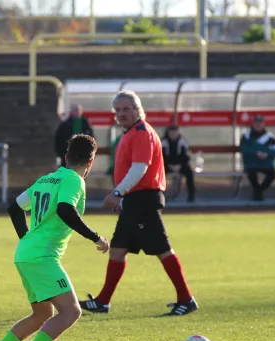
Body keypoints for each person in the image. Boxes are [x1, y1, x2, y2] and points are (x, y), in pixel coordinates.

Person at [0, 134, 109, 341]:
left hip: (26, 255)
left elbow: (14, 208)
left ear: (67, 156)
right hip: (42, 257)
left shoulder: (46, 179)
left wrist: (26, 239)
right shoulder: (74, 179)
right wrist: (96, 237)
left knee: (42, 314)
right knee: (71, 312)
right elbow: (64, 209)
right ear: (90, 162)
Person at [78, 91, 198, 317]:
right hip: (133, 200)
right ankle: (103, 301)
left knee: (162, 250)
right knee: (117, 249)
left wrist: (117, 192)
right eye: (118, 110)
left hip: (143, 200)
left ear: (137, 109)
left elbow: (140, 168)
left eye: (126, 109)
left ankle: (186, 298)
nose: (121, 113)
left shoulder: (142, 132)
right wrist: (122, 196)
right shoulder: (131, 132)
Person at [239, 115, 275, 201]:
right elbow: (243, 149)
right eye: (256, 122)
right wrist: (256, 153)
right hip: (251, 163)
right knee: (251, 173)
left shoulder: (269, 136)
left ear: (264, 124)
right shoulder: (246, 136)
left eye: (260, 123)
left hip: (266, 163)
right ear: (253, 123)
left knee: (272, 174)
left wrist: (267, 154)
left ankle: (259, 191)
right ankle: (258, 193)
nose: (258, 125)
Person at [161, 125, 196, 202]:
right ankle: (160, 196)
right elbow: (161, 157)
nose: (173, 134)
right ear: (168, 132)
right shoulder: (164, 141)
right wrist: (169, 165)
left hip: (181, 165)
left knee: (189, 173)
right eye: (171, 132)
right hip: (167, 165)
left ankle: (191, 196)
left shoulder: (182, 141)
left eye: (175, 132)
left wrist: (179, 165)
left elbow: (186, 157)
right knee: (159, 173)